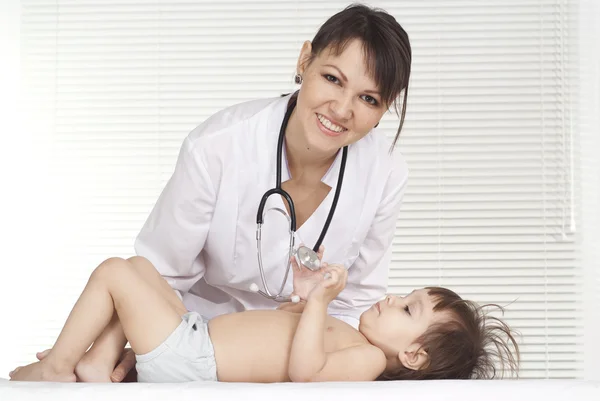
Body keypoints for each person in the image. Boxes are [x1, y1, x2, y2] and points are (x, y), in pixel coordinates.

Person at [32, 3, 413, 382]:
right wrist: (121, 348)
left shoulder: (385, 171)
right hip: (196, 334)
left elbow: (355, 302)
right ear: (304, 61)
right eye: (332, 78)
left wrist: (320, 358)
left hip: (294, 355)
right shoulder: (218, 145)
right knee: (129, 272)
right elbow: (160, 272)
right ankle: (75, 365)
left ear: (383, 110)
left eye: (369, 98)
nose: (343, 109)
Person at [10, 255, 520, 383]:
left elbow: (305, 375)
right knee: (141, 269)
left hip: (198, 361)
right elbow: (282, 328)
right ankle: (98, 367)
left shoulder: (366, 362)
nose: (389, 298)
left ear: (413, 354)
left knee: (115, 274)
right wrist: (305, 296)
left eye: (407, 309)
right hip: (197, 337)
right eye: (403, 295)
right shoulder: (350, 336)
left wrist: (319, 306)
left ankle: (58, 369)